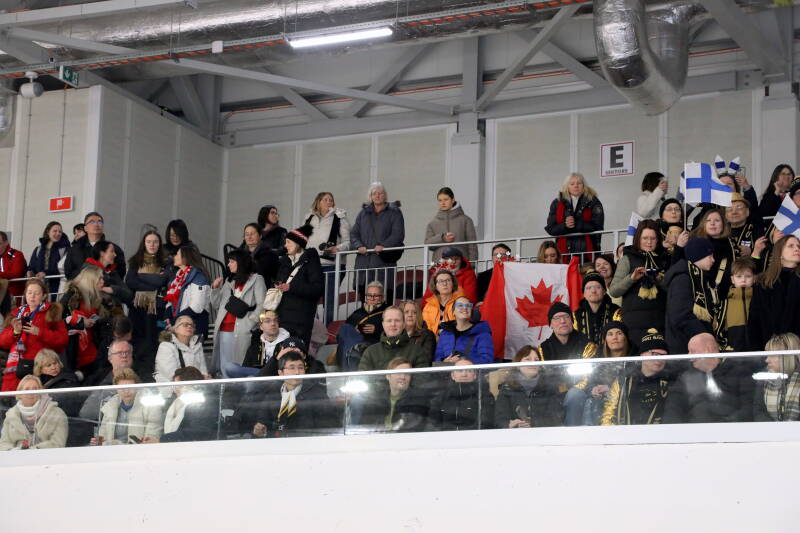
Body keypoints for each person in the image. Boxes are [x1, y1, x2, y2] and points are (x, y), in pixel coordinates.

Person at [238, 351, 338, 438]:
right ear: (281, 373)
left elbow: (329, 427)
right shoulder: (271, 393)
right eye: (292, 368)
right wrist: (259, 430)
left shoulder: (317, 395)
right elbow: (262, 420)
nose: (297, 372)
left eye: (301, 368)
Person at [662, 333, 754, 423]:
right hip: (695, 433)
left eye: (692, 351)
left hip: (731, 432)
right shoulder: (686, 377)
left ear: (708, 349)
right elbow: (673, 407)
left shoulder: (739, 372)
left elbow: (749, 406)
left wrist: (726, 426)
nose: (689, 357)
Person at [608, 219, 669, 345]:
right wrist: (632, 278)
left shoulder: (665, 258)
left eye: (653, 238)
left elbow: (672, 290)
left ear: (658, 240)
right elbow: (614, 291)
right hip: (633, 324)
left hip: (661, 321)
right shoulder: (627, 258)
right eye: (645, 238)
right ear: (638, 239)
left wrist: (659, 279)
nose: (649, 242)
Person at [0, 279, 68, 392]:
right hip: (16, 368)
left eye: (37, 293)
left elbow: (63, 339)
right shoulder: (16, 313)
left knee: (37, 399)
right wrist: (15, 332)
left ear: (44, 296)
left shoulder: (52, 311)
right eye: (29, 293)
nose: (32, 296)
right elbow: (2, 341)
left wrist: (39, 332)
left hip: (41, 367)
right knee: (11, 402)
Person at [210, 249, 266, 377]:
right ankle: (226, 393)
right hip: (223, 329)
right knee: (225, 367)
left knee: (238, 366)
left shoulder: (257, 279)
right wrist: (214, 288)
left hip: (242, 330)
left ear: (240, 262)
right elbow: (216, 305)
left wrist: (251, 322)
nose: (228, 264)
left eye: (231, 261)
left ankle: (237, 394)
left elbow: (263, 304)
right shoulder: (230, 281)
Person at [664, 238, 723, 355]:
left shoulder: (699, 279)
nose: (713, 260)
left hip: (694, 346)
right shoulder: (683, 279)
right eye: (709, 255)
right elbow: (680, 315)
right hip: (686, 348)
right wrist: (704, 337)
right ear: (698, 256)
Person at [601, 330, 671, 425]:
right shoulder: (623, 381)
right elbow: (608, 415)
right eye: (655, 354)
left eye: (664, 356)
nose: (660, 359)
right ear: (642, 354)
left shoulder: (670, 383)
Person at [350, 182, 405, 302]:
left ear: (385, 195)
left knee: (385, 305)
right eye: (374, 193)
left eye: (380, 193)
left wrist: (384, 246)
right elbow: (354, 234)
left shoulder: (394, 212)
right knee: (365, 306)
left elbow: (398, 234)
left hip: (383, 265)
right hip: (363, 267)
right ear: (370, 196)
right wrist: (359, 246)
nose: (377, 196)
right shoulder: (363, 213)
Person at [125, 230, 171, 373]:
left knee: (155, 340)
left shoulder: (167, 261)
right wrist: (154, 282)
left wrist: (142, 276)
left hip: (158, 309)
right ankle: (139, 370)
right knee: (139, 339)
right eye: (149, 241)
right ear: (143, 244)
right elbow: (130, 281)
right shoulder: (135, 261)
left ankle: (155, 370)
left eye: (156, 241)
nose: (152, 244)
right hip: (138, 308)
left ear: (160, 244)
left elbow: (162, 281)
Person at [304, 192, 352, 324]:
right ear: (318, 202)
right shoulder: (309, 219)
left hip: (332, 265)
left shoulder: (339, 217)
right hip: (312, 266)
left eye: (331, 200)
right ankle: (314, 330)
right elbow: (302, 241)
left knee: (329, 301)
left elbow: (348, 242)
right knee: (310, 299)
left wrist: (337, 249)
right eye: (325, 200)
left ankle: (328, 330)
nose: (329, 202)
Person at [273, 224, 323, 347]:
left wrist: (291, 288)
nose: (285, 245)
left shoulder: (311, 261)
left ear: (298, 243)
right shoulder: (285, 261)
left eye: (288, 242)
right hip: (282, 317)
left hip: (300, 320)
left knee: (297, 355)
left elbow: (317, 289)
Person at [747, 235, 800, 350]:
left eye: (798, 246)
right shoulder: (763, 283)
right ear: (779, 253)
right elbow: (755, 320)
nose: (797, 249)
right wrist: (758, 352)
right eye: (791, 246)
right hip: (771, 349)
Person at [60, 265, 113, 378]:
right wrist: (80, 322)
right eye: (100, 278)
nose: (103, 281)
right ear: (90, 280)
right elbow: (57, 321)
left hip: (92, 351)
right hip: (74, 353)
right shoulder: (71, 296)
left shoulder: (98, 298)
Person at [494, 346, 565, 429]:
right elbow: (498, 420)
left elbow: (557, 417)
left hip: (543, 437)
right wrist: (510, 425)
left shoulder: (550, 387)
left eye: (536, 360)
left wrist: (534, 423)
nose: (533, 363)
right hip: (514, 437)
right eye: (528, 359)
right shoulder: (506, 388)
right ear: (517, 364)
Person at [357, 357, 430, 433]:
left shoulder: (418, 400)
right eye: (399, 373)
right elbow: (364, 426)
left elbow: (415, 429)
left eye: (407, 374)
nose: (403, 377)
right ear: (388, 376)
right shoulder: (376, 399)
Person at [93, 368, 163, 445]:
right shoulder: (110, 406)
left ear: (137, 387)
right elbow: (102, 436)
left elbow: (153, 435)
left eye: (130, 387)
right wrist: (98, 441)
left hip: (139, 451)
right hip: (112, 451)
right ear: (116, 389)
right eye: (122, 388)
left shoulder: (151, 405)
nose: (126, 391)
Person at [545, 172, 604, 262]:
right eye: (572, 184)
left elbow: (598, 226)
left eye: (579, 183)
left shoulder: (593, 201)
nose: (576, 186)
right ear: (567, 186)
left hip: (588, 254)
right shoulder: (557, 202)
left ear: (583, 185)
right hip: (564, 255)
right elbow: (550, 228)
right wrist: (565, 225)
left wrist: (575, 224)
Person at [0, 375, 68, 450]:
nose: (31, 392)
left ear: (40, 392)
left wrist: (33, 450)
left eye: (35, 389)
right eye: (27, 389)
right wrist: (15, 451)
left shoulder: (57, 413)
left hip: (46, 458)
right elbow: (3, 443)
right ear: (19, 393)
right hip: (17, 458)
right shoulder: (10, 415)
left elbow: (58, 443)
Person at [156, 366, 219, 444]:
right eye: (174, 386)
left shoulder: (202, 404)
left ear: (192, 386)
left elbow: (194, 433)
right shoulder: (176, 404)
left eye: (179, 385)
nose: (176, 389)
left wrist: (161, 440)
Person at [427, 358, 494, 431]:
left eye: (469, 370)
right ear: (452, 375)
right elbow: (432, 424)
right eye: (460, 370)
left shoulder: (484, 396)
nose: (464, 374)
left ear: (475, 375)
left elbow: (485, 423)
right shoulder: (441, 397)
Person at [335, 281, 389, 369]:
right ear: (366, 297)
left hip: (374, 344)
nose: (372, 298)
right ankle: (355, 348)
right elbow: (341, 336)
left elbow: (394, 331)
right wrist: (354, 332)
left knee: (350, 350)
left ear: (382, 298)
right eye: (369, 295)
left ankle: (354, 350)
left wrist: (376, 330)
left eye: (376, 295)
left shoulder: (387, 312)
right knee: (345, 328)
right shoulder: (357, 313)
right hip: (353, 346)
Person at [358, 306, 431, 371]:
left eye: (397, 320)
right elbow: (363, 380)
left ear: (403, 324)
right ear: (383, 325)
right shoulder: (370, 352)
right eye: (389, 321)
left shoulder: (417, 351)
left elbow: (422, 380)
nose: (393, 324)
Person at [164, 244, 211, 337]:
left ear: (185, 258)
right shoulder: (179, 277)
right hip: (180, 326)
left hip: (195, 328)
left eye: (177, 254)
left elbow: (196, 307)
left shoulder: (198, 277)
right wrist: (168, 316)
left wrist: (176, 321)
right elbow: (172, 300)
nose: (174, 257)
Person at [690, 208, 737, 300]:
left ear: (723, 224)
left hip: (728, 296)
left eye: (717, 220)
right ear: (704, 224)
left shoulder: (732, 244)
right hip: (702, 296)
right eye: (708, 220)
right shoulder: (695, 245)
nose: (712, 223)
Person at [63, 212, 125, 280]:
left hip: (105, 288)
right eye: (92, 222)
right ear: (85, 228)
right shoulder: (75, 249)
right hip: (81, 288)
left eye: (100, 222)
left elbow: (121, 272)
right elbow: (68, 272)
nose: (96, 225)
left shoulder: (114, 249)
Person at [434, 296, 494, 365]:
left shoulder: (482, 333)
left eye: (468, 306)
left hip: (473, 374)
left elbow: (487, 360)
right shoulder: (445, 334)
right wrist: (445, 361)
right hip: (447, 374)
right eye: (460, 305)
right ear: (453, 312)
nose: (465, 308)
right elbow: (437, 358)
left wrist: (462, 361)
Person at [754, 333, 800, 421]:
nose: (767, 360)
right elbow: (758, 411)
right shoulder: (764, 378)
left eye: (772, 355)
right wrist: (774, 431)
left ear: (787, 357)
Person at [424, 187, 478, 262]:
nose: (443, 203)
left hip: (461, 266)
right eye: (440, 200)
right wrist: (442, 238)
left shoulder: (466, 220)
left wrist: (472, 265)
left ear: (452, 200)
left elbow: (472, 246)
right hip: (440, 267)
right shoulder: (432, 223)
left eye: (446, 199)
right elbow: (427, 244)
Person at [154, 315, 208, 385]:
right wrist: (200, 378)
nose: (189, 326)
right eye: (185, 325)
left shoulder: (198, 345)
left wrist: (204, 378)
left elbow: (203, 370)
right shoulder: (165, 346)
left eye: (192, 325)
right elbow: (171, 375)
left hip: (197, 387)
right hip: (172, 390)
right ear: (176, 329)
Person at [573, 272, 621, 345]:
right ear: (584, 293)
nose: (593, 291)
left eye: (598, 287)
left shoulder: (616, 311)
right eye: (588, 288)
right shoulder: (576, 315)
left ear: (604, 291)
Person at [238, 310, 290, 376]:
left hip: (276, 378)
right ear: (261, 326)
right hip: (257, 378)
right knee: (230, 368)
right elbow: (245, 369)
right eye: (268, 321)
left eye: (275, 320)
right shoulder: (255, 346)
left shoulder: (288, 343)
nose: (273, 324)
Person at [27, 221, 70, 296]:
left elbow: (65, 269)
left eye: (60, 231)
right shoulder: (38, 249)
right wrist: (30, 271)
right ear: (48, 232)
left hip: (57, 287)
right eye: (55, 231)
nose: (58, 233)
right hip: (39, 287)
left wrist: (46, 273)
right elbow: (32, 265)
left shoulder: (65, 249)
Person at [86, 240, 133, 307]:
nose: (115, 255)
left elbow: (129, 295)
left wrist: (112, 289)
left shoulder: (112, 272)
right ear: (102, 253)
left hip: (111, 313)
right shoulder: (87, 271)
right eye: (112, 251)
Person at [724, 257, 756, 352]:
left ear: (754, 278)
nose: (743, 280)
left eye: (748, 276)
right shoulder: (726, 301)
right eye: (739, 276)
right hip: (733, 350)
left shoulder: (759, 299)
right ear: (732, 279)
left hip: (758, 349)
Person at [421, 270, 464, 338]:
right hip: (433, 341)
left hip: (454, 340)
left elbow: (463, 326)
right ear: (436, 286)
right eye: (441, 281)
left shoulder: (461, 303)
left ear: (453, 284)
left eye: (448, 280)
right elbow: (426, 329)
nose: (445, 284)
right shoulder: (429, 306)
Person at [240, 222, 280, 286]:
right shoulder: (239, 253)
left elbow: (263, 274)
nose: (249, 237)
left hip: (262, 287)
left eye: (252, 234)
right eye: (247, 234)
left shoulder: (269, 254)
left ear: (260, 236)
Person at [726, 193, 763, 259]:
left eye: (739, 207)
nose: (734, 212)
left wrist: (751, 251)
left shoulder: (757, 230)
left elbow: (766, 253)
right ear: (725, 214)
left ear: (747, 212)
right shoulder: (721, 231)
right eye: (729, 208)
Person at [0, 231, 28, 306]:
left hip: (15, 297)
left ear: (6, 243)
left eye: (0, 243)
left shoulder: (17, 254)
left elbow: (17, 273)